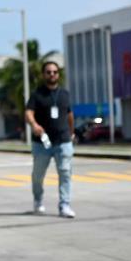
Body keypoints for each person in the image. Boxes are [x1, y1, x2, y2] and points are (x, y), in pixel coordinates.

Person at [26, 60, 75, 218]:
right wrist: (34, 125)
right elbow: (28, 113)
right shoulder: (37, 94)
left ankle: (64, 205)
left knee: (65, 173)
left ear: (58, 74)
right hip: (42, 143)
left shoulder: (65, 94)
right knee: (38, 175)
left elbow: (69, 115)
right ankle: (38, 201)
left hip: (63, 141)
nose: (52, 74)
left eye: (54, 72)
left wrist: (71, 132)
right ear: (43, 75)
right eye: (48, 72)